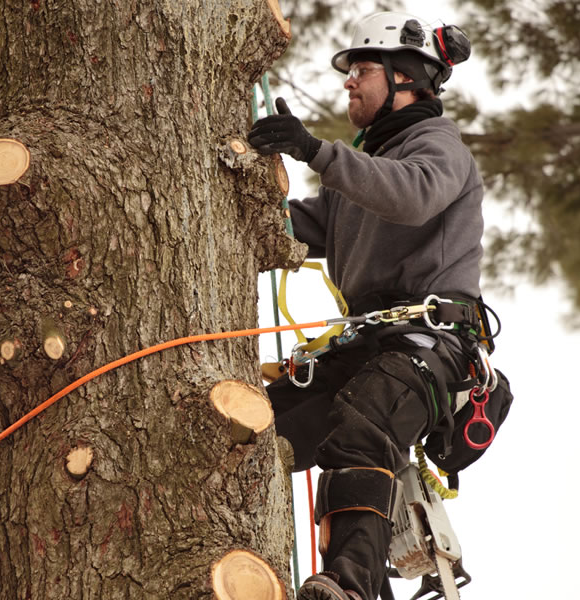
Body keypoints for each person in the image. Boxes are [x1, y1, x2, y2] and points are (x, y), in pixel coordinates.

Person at [248, 11, 511, 600]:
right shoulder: (364, 168)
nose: (348, 82)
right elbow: (303, 226)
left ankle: (348, 587)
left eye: (362, 69)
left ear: (407, 78)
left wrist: (316, 152)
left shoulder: (437, 148)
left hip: (429, 344)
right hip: (366, 344)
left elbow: (412, 197)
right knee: (261, 430)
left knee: (362, 429)